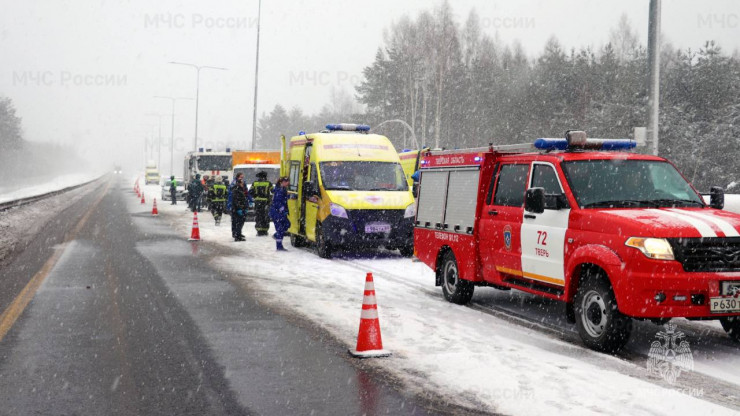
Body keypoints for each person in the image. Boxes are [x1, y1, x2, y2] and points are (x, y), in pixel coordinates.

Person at [249, 171, 274, 236]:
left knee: (258, 216)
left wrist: (255, 196)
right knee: (265, 216)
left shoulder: (255, 183)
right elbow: (273, 191)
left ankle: (259, 231)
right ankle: (265, 230)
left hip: (258, 202)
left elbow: (250, 192)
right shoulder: (268, 183)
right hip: (266, 202)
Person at [269, 177, 291, 251]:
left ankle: (277, 237)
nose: (288, 183)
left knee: (286, 225)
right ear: (282, 182)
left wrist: (290, 196)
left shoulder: (282, 189)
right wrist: (282, 209)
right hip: (277, 213)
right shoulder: (279, 190)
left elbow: (283, 198)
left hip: (279, 212)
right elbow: (278, 201)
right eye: (286, 182)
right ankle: (279, 246)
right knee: (280, 229)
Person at [231, 176, 248, 241]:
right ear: (239, 183)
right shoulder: (237, 190)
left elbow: (243, 199)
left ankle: (238, 234)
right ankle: (237, 236)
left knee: (240, 222)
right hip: (237, 209)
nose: (243, 184)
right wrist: (239, 208)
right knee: (238, 222)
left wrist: (245, 207)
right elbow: (236, 200)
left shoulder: (240, 189)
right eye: (242, 183)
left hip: (240, 208)